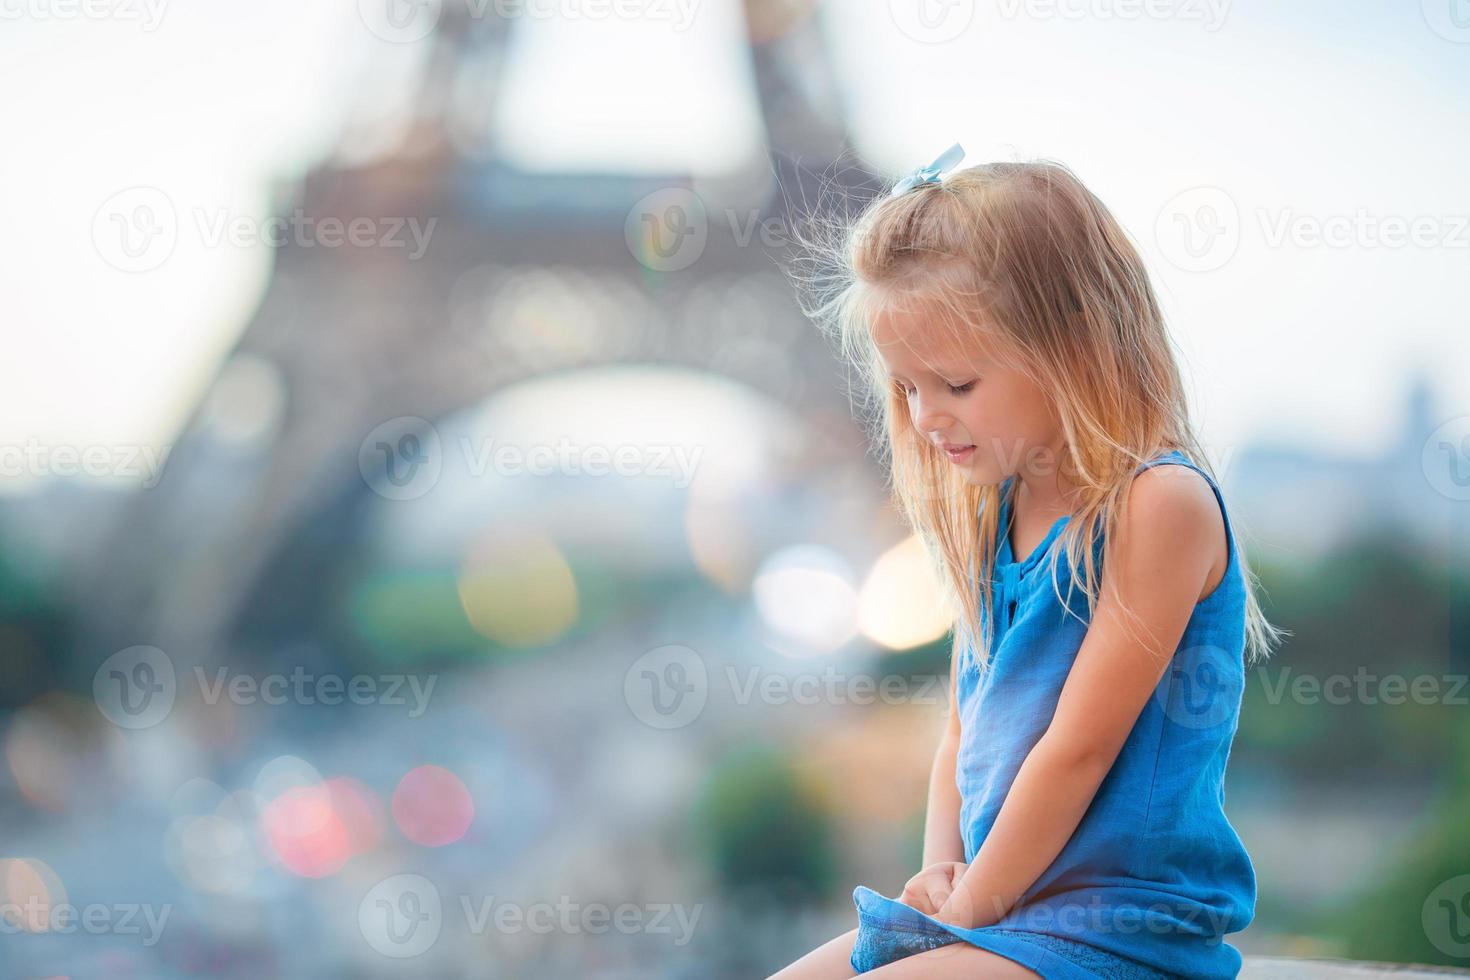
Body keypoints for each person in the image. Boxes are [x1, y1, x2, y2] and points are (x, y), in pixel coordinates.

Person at [769, 146, 1287, 979]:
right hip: (1008, 908)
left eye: (957, 383)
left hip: (1120, 930)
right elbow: (961, 731)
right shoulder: (992, 511)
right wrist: (941, 873)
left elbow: (1074, 751)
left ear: (1072, 345)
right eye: (906, 389)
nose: (927, 416)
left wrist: (966, 912)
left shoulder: (1159, 505)